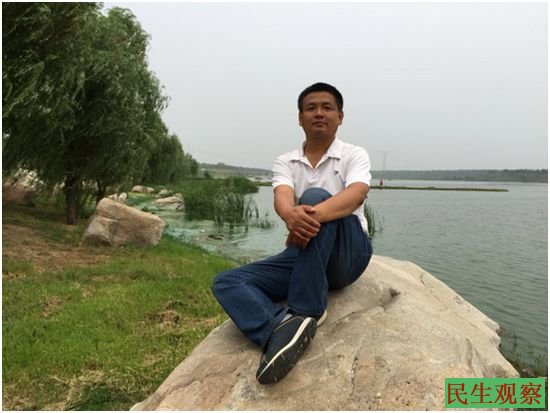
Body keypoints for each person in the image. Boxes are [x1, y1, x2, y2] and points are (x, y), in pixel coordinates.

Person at [212, 82, 373, 385]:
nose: (319, 113)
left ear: (340, 116)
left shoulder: (354, 154)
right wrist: (289, 216)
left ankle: (307, 308)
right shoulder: (285, 161)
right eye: (311, 108)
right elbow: (282, 197)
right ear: (300, 118)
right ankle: (279, 328)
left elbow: (356, 195)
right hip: (306, 252)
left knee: (314, 196)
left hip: (348, 254)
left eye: (327, 107)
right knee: (227, 281)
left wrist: (304, 220)